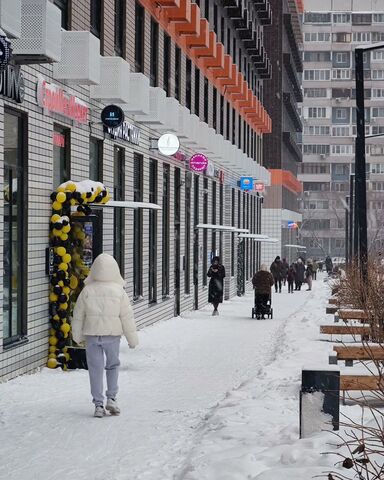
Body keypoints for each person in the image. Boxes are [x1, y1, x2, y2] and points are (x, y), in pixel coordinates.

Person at [72, 253, 138, 418]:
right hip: (112, 335)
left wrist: (77, 336)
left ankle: (98, 404)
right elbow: (126, 316)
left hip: (92, 335)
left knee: (95, 369)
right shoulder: (119, 291)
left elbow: (78, 315)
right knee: (112, 366)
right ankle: (112, 398)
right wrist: (132, 339)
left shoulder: (87, 291)